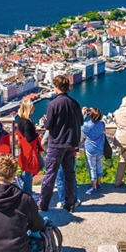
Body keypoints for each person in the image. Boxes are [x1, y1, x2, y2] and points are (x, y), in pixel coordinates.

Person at [37, 75, 82, 212]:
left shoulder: (53, 104)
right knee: (69, 174)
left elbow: (49, 125)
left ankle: (43, 204)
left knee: (50, 174)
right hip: (70, 143)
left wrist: (44, 121)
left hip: (57, 144)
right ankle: (70, 204)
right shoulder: (74, 103)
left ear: (56, 87)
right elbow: (80, 121)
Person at [15, 99, 43, 196]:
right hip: (29, 149)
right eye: (32, 107)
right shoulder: (26, 122)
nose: (34, 109)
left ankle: (21, 179)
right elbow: (29, 138)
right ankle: (28, 191)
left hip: (26, 149)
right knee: (30, 170)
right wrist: (37, 134)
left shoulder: (20, 119)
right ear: (28, 109)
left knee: (35, 167)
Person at [81, 107, 105, 194]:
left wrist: (83, 115)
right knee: (99, 166)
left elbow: (79, 125)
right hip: (100, 147)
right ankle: (98, 183)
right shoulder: (102, 124)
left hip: (90, 149)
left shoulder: (87, 126)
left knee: (92, 168)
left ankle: (94, 187)